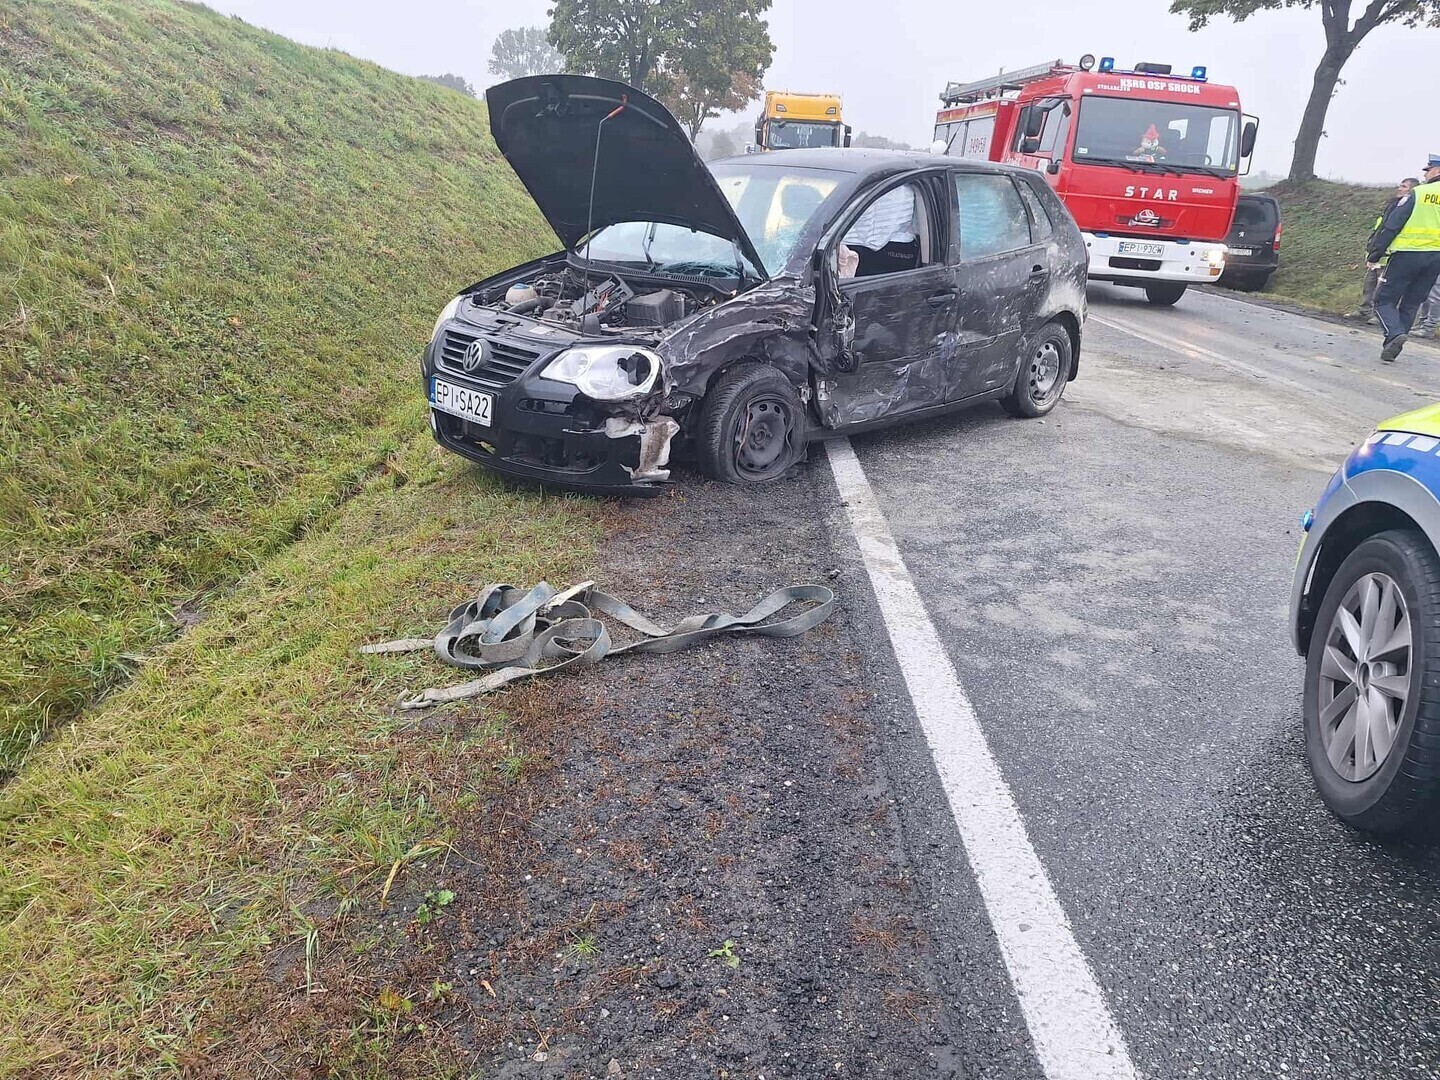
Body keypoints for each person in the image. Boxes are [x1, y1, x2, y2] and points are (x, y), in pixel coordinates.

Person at [1368, 155, 1440, 361]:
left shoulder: (1418, 193)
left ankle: (1395, 334)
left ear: (1437, 171)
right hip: (1435, 259)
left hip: (1408, 255)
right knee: (1412, 302)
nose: (1425, 174)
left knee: (1383, 301)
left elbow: (1393, 224)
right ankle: (1393, 346)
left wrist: (1375, 254)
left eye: (1428, 170)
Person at [1350, 177, 1420, 321]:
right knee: (1369, 283)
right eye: (1400, 185)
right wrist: (1373, 248)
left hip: (1390, 253)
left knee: (1382, 286)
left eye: (1404, 186)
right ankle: (1365, 310)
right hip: (1379, 251)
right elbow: (1382, 228)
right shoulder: (1393, 204)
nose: (1399, 188)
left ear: (1412, 190)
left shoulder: (1408, 207)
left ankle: (1378, 314)